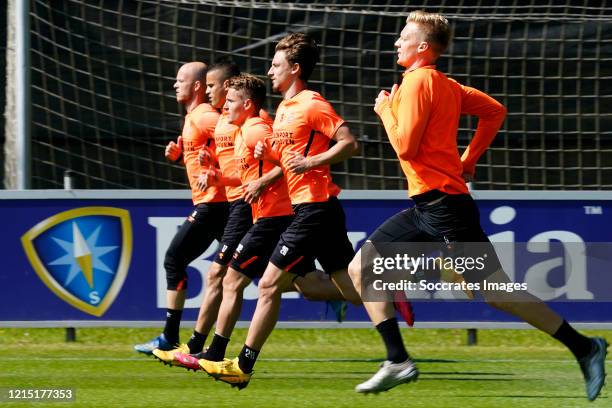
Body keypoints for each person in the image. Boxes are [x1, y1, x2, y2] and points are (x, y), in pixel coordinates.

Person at [346, 11, 608, 401]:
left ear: (423, 46)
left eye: (404, 37)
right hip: (427, 206)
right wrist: (468, 160)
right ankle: (398, 359)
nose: (396, 42)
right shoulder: (440, 85)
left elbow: (404, 146)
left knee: (497, 292)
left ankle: (585, 347)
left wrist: (383, 110)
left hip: (446, 208)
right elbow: (495, 111)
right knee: (360, 268)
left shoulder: (420, 82)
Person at [199, 32, 363, 389]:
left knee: (266, 284)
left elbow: (349, 143)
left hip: (311, 209)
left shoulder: (310, 103)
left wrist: (309, 162)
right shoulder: (284, 110)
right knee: (348, 289)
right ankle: (398, 286)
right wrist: (271, 157)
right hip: (311, 208)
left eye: (276, 65)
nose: (270, 71)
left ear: (295, 68)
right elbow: (284, 160)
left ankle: (237, 364)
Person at [172, 74, 347, 370]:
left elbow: (285, 161)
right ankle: (376, 292)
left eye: (229, 101)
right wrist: (220, 177)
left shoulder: (256, 130)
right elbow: (253, 173)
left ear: (248, 104)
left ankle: (213, 354)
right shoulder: (243, 132)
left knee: (230, 278)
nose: (223, 107)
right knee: (303, 285)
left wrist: (263, 183)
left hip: (276, 216)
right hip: (268, 214)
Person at [133, 61, 229, 355]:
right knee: (265, 272)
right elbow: (213, 150)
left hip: (216, 203)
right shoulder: (194, 117)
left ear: (197, 86)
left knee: (174, 259)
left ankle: (169, 337)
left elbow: (236, 136)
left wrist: (215, 169)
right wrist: (180, 157)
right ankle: (329, 289)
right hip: (217, 203)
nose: (175, 85)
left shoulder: (204, 116)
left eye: (180, 80)